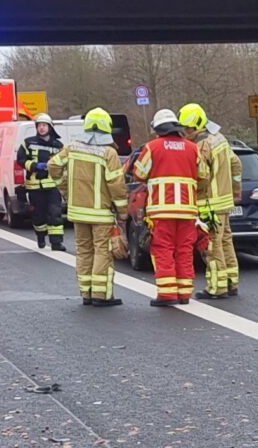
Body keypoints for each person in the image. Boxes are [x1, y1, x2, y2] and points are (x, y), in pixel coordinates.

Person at [52, 108, 128, 306]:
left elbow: (53, 165)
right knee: (102, 251)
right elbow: (116, 185)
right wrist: (122, 210)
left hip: (77, 211)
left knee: (84, 251)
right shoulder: (109, 153)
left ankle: (86, 293)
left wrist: (66, 189)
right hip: (101, 213)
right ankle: (101, 295)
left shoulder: (72, 148)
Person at [132, 109, 207, 306]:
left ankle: (167, 294)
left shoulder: (152, 147)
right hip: (187, 209)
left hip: (162, 209)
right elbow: (203, 174)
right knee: (184, 249)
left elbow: (139, 173)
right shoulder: (193, 148)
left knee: (163, 248)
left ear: (158, 129)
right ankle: (184, 293)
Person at [188, 103, 243, 297]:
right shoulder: (220, 139)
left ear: (196, 126)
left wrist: (192, 195)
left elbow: (201, 176)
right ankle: (231, 281)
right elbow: (236, 165)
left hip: (209, 205)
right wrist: (236, 191)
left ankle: (217, 288)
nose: (186, 133)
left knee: (212, 246)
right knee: (226, 241)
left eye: (187, 129)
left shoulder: (202, 145)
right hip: (225, 203)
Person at [17, 114, 67, 251]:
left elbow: (63, 163)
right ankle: (40, 236)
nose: (42, 128)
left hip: (52, 186)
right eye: (39, 126)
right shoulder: (28, 143)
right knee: (38, 215)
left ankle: (56, 243)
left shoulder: (58, 145)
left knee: (54, 213)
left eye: (44, 125)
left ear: (50, 127)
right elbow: (20, 160)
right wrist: (34, 166)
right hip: (34, 186)